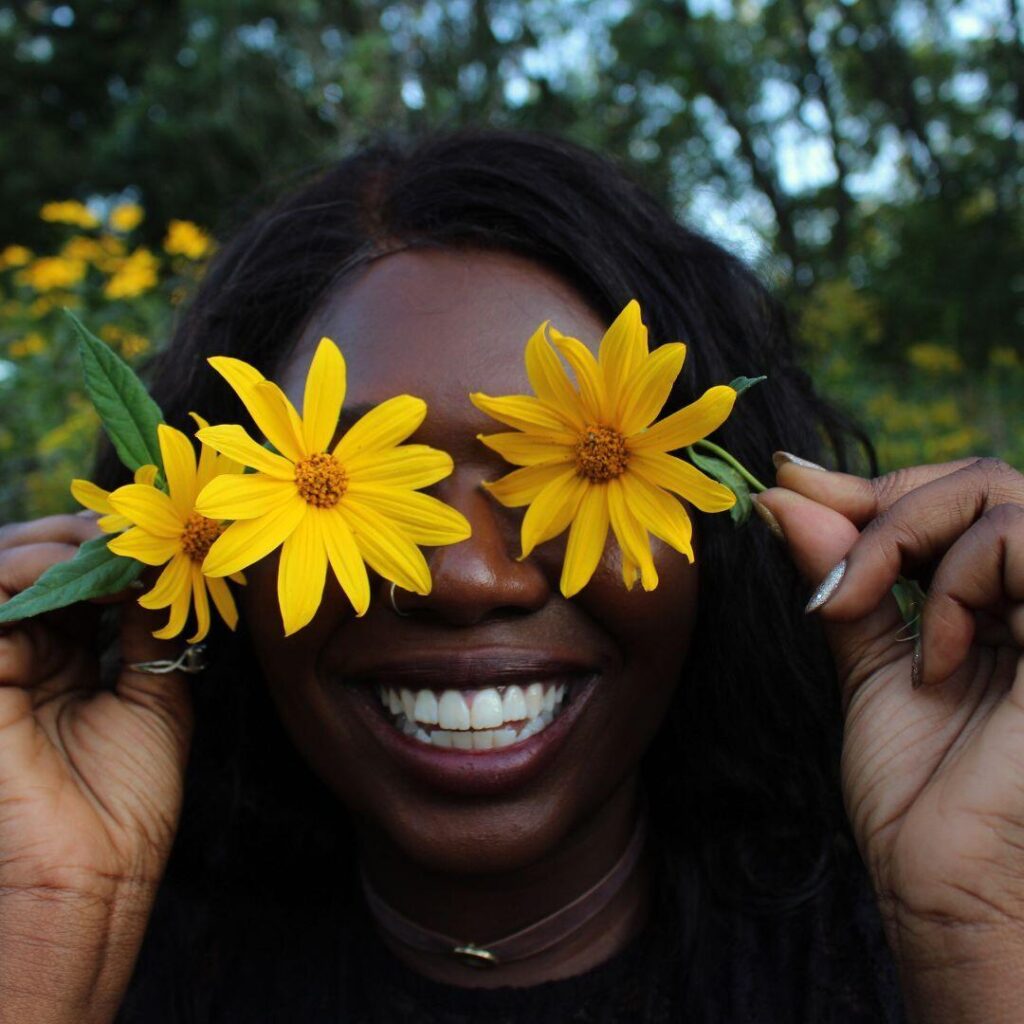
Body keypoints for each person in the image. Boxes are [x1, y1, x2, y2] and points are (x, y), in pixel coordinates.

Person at [0, 130, 1021, 1024]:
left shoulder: (892, 943)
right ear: (203, 543)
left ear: (740, 531)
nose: (463, 577)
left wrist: (979, 926)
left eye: (543, 476)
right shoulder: (110, 951)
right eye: (358, 487)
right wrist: (47, 924)